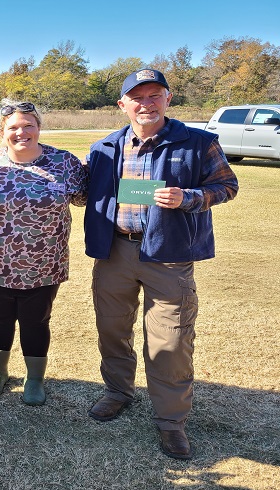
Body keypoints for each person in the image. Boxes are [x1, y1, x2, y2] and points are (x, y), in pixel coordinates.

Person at [85, 69, 238, 459]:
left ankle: (171, 422)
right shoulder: (105, 147)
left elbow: (227, 186)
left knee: (170, 339)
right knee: (112, 328)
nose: (146, 104)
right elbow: (86, 191)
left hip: (169, 255)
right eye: (137, 97)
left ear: (168, 100)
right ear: (123, 105)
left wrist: (188, 197)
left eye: (155, 96)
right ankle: (118, 392)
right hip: (115, 251)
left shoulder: (198, 143)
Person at [0, 100, 88, 405]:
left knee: (36, 321)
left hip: (43, 265)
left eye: (29, 125)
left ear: (39, 127)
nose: (21, 132)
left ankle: (34, 378)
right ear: (2, 131)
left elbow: (87, 198)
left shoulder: (64, 163)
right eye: (13, 127)